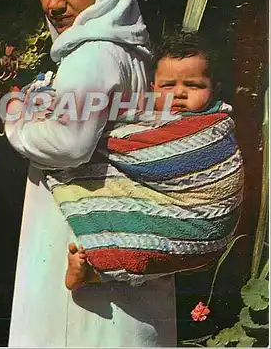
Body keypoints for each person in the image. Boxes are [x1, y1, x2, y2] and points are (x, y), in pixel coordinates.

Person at [4, 0, 177, 348]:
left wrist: (16, 121)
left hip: (76, 227)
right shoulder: (130, 51)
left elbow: (68, 143)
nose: (54, 4)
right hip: (119, 227)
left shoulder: (92, 53)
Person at [60, 29, 243, 290]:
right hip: (173, 221)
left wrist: (101, 137)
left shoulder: (212, 128)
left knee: (151, 248)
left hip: (207, 224)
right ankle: (97, 273)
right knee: (142, 244)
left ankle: (105, 267)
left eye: (194, 85)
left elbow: (152, 157)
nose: (180, 93)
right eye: (169, 86)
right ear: (152, 88)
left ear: (213, 89)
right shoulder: (150, 119)